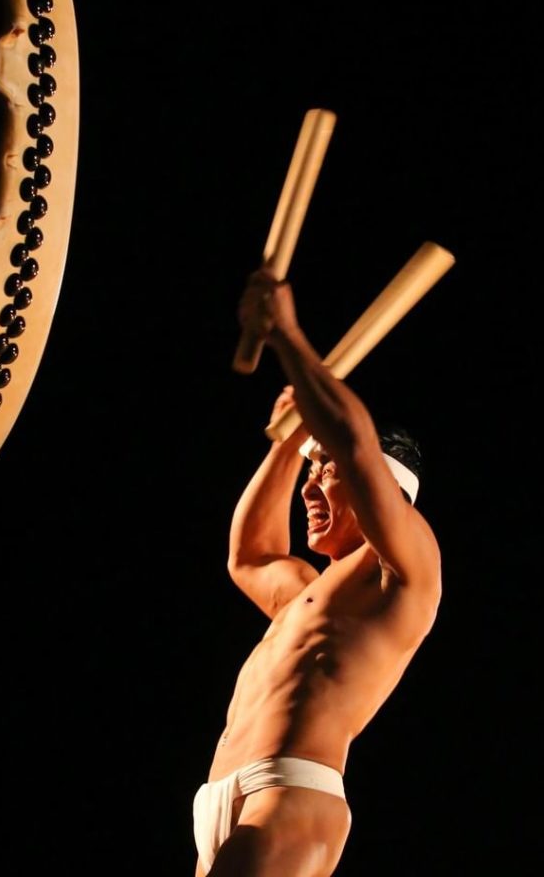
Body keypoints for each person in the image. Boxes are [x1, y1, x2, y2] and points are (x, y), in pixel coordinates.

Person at [192, 268, 443, 876]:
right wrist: (289, 441)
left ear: (385, 489)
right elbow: (247, 556)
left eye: (320, 470)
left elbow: (356, 446)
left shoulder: (402, 569)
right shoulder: (306, 592)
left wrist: (290, 339)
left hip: (289, 795)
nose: (308, 487)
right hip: (221, 798)